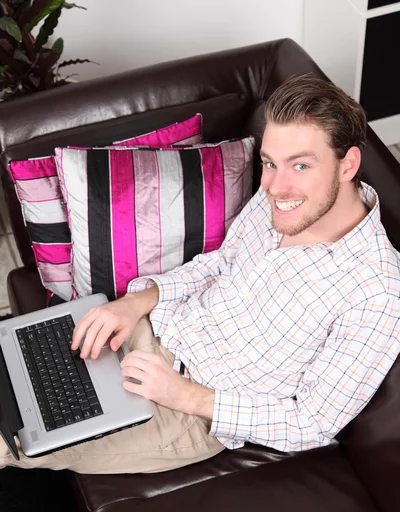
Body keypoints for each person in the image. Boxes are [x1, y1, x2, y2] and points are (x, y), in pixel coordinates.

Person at [2, 74, 400, 473]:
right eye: (270, 163)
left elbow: (311, 422)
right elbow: (222, 263)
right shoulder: (279, 199)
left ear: (347, 163)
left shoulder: (377, 292)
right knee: (14, 356)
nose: (277, 186)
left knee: (8, 438)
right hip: (154, 326)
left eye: (301, 165)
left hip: (186, 413)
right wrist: (132, 303)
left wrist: (183, 395)